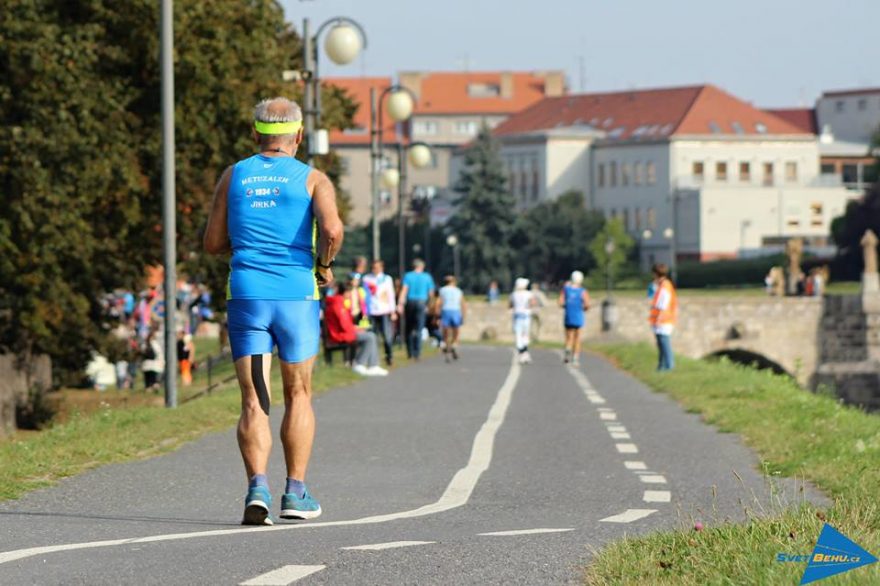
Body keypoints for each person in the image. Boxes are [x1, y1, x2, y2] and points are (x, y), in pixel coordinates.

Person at [203, 97, 343, 526]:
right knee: (298, 394)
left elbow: (211, 243)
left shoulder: (234, 175)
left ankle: (257, 488)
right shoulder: (313, 179)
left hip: (247, 295)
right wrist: (323, 264)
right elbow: (334, 230)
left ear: (255, 136)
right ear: (299, 136)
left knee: (253, 399)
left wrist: (241, 248)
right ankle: (295, 493)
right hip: (295, 296)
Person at [324, 281, 388, 376]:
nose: (350, 295)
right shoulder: (338, 304)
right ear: (345, 292)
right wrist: (356, 330)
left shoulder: (339, 302)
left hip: (343, 332)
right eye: (349, 292)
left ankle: (373, 365)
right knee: (370, 337)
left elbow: (346, 323)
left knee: (369, 334)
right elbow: (344, 325)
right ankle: (360, 364)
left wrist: (356, 328)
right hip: (339, 335)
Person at [397, 259, 436, 361]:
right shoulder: (427, 277)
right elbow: (431, 293)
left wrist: (400, 304)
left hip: (410, 303)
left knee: (409, 328)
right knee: (419, 329)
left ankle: (409, 352)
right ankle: (417, 353)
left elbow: (404, 290)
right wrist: (429, 305)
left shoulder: (408, 276)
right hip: (422, 303)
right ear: (422, 267)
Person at [362, 259, 397, 366]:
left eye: (377, 267)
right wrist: (364, 311)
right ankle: (373, 359)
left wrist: (393, 311)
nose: (375, 269)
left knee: (387, 336)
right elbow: (364, 296)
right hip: (371, 311)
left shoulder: (387, 279)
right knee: (373, 336)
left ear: (382, 268)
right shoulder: (366, 278)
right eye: (373, 267)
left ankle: (389, 355)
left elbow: (391, 295)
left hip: (384, 310)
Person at [649, 263, 678, 371]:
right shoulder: (663, 284)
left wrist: (658, 318)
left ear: (656, 273)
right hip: (662, 320)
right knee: (661, 344)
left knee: (664, 344)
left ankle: (669, 367)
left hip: (663, 320)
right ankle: (661, 367)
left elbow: (662, 304)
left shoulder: (665, 285)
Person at [559, 270, 591, 366]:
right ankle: (575, 358)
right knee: (577, 338)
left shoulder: (566, 289)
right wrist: (584, 308)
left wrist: (567, 306)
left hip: (568, 315)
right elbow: (587, 304)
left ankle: (567, 350)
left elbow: (560, 302)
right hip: (578, 316)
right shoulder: (582, 291)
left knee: (569, 336)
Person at [437, 275, 466, 362]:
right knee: (456, 331)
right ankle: (454, 344)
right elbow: (463, 303)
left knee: (445, 331)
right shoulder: (458, 291)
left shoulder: (442, 290)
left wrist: (437, 315)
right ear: (454, 282)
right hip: (456, 311)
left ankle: (446, 346)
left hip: (446, 310)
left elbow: (439, 302)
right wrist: (463, 315)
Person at [510, 278, 537, 364]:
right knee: (525, 335)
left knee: (519, 336)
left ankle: (523, 354)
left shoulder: (514, 294)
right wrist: (528, 306)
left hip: (517, 317)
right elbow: (533, 303)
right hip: (525, 316)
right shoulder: (528, 294)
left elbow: (510, 305)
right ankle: (524, 353)